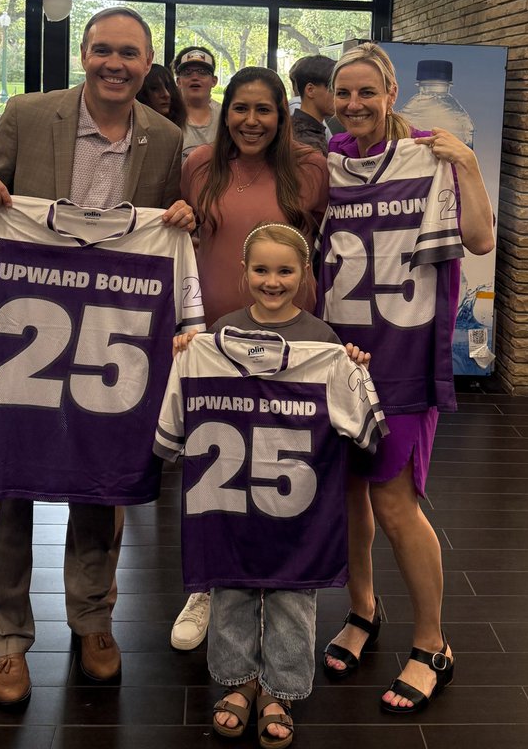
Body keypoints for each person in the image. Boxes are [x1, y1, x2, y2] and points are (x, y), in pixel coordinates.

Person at [0, 7, 196, 705]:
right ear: (84, 55)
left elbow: (166, 229)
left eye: (129, 53)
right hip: (29, 323)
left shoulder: (167, 137)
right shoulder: (28, 114)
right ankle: (5, 639)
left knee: (105, 468)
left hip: (110, 333)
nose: (114, 64)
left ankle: (93, 620)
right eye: (102, 51)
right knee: (11, 473)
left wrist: (182, 215)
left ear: (148, 63)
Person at [319, 42, 494, 714]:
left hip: (404, 355)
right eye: (346, 93)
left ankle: (432, 645)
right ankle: (363, 610)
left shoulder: (435, 151)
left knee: (394, 502)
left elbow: (478, 241)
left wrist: (470, 167)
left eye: (368, 91)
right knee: (350, 495)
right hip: (339, 353)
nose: (356, 103)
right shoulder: (331, 159)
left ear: (391, 92)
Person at [167, 221, 382, 747]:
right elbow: (175, 428)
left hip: (296, 510)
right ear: (243, 274)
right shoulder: (215, 339)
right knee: (231, 587)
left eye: (285, 270)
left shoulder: (325, 342)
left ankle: (280, 691)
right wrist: (188, 352)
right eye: (261, 269)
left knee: (292, 596)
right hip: (230, 504)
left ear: (305, 275)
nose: (272, 280)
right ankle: (238, 685)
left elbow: (367, 434)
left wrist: (352, 368)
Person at [169, 67, 328, 653]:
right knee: (214, 469)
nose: (252, 121)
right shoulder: (198, 166)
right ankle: (207, 587)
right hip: (212, 344)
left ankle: (281, 585)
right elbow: (180, 244)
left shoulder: (310, 170)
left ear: (282, 115)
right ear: (225, 109)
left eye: (264, 110)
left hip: (291, 348)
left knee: (277, 468)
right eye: (241, 109)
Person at [173, 45, 221, 161]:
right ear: (179, 81)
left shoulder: (225, 115)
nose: (195, 77)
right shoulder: (167, 115)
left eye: (202, 72)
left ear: (213, 81)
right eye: (187, 72)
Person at [288, 54, 335, 155]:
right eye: (333, 89)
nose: (338, 97)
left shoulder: (294, 127)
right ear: (310, 90)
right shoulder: (307, 141)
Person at [137, 62, 187, 129]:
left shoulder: (182, 127)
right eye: (154, 88)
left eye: (168, 87)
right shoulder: (130, 130)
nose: (166, 94)